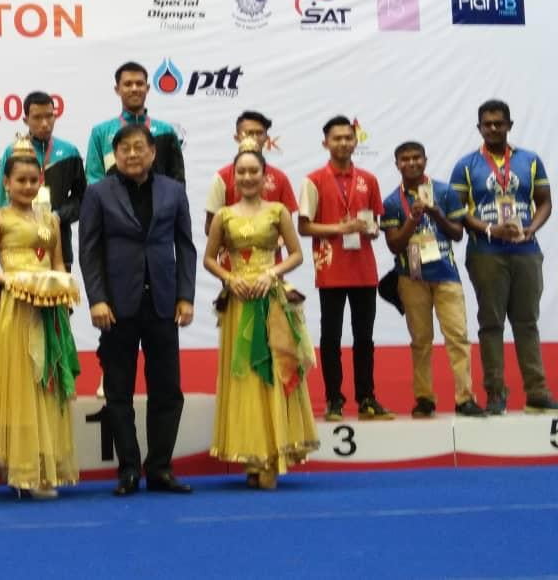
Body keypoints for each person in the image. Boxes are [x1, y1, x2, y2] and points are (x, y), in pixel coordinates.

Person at [79, 124, 196, 496]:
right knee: (118, 391)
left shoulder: (174, 192)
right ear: (114, 155)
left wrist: (186, 296)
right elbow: (89, 251)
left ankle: (160, 468)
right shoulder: (98, 193)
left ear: (152, 153)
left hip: (163, 302)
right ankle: (128, 469)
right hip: (116, 305)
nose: (132, 154)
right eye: (124, 148)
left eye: (139, 147)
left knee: (167, 391)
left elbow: (186, 246)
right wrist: (97, 298)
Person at [0, 137, 81, 497]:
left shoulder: (50, 218)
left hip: (48, 308)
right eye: (21, 181)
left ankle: (44, 465)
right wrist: (14, 280)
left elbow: (58, 261)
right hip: (14, 309)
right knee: (19, 384)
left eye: (34, 181)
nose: (28, 187)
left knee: (45, 384)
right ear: (6, 182)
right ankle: (21, 469)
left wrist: (61, 286)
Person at [204, 144, 318, 490]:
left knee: (272, 372)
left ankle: (273, 453)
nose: (248, 177)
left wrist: (272, 273)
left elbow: (297, 254)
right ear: (233, 177)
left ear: (265, 177)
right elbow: (209, 259)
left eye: (254, 171)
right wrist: (231, 279)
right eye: (242, 172)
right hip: (239, 303)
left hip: (271, 302)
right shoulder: (224, 216)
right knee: (245, 378)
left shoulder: (278, 211)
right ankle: (250, 455)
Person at [450, 100, 557, 414]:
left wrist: (531, 229)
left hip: (526, 251)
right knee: (491, 323)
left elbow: (545, 202)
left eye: (499, 123)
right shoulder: (466, 165)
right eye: (487, 124)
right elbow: (457, 212)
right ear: (479, 127)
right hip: (486, 253)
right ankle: (496, 393)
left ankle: (537, 392)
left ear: (510, 125)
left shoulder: (531, 161)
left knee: (527, 323)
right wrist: (489, 230)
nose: (493, 128)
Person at [381, 142, 487, 418]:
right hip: (411, 277)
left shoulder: (444, 191)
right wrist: (412, 220)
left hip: (446, 275)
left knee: (458, 337)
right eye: (405, 159)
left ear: (425, 160)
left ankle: (465, 398)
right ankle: (424, 398)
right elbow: (394, 245)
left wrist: (435, 212)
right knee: (421, 340)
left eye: (417, 157)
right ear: (397, 164)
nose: (412, 163)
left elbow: (457, 234)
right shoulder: (392, 202)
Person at [298, 115, 393, 421]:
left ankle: (366, 398)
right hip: (331, 270)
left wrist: (372, 230)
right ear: (325, 143)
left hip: (364, 269)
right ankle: (333, 400)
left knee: (364, 338)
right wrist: (342, 228)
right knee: (331, 338)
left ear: (356, 141)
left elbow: (375, 222)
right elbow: (304, 227)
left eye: (347, 138)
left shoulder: (369, 179)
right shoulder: (313, 180)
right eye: (336, 138)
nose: (342, 143)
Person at [0, 91, 86, 269]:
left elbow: (82, 199)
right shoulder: (13, 151)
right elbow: (3, 201)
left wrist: (58, 216)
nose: (45, 123)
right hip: (20, 248)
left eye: (49, 116)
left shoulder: (70, 152)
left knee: (58, 295)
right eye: (37, 117)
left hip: (59, 244)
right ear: (25, 120)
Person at [85, 61, 185, 185]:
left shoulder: (165, 131)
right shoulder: (101, 132)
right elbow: (94, 179)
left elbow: (177, 181)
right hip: (114, 204)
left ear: (147, 88)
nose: (134, 89)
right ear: (117, 89)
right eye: (128, 84)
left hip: (158, 204)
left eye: (139, 84)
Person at [204, 110, 296, 235]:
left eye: (259, 133)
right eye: (248, 133)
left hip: (270, 253)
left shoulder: (280, 178)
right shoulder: (222, 177)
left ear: (267, 139)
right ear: (237, 138)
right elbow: (210, 227)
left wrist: (267, 245)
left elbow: (287, 228)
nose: (254, 138)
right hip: (232, 253)